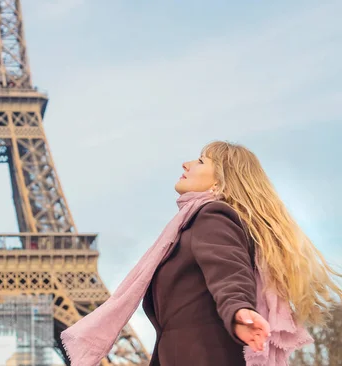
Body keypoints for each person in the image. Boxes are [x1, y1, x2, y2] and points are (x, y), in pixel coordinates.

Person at [61, 140, 341, 366]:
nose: (186, 163)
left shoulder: (213, 216)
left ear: (220, 182)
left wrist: (239, 309)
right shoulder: (192, 224)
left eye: (201, 160)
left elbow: (228, 271)